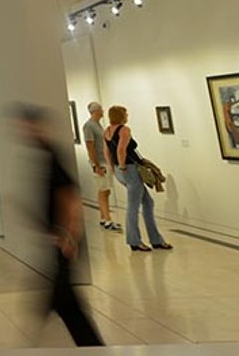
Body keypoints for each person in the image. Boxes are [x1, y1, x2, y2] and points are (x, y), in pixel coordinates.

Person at [12, 104, 104, 347]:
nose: (24, 132)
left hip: (66, 240)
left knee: (64, 299)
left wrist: (68, 234)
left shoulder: (52, 154)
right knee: (64, 299)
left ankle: (91, 346)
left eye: (27, 126)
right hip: (61, 239)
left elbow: (70, 195)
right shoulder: (44, 153)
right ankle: (87, 343)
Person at [103, 105, 171, 252]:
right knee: (133, 207)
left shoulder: (107, 131)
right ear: (121, 115)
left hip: (120, 171)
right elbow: (121, 149)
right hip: (130, 170)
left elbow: (107, 152)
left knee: (148, 202)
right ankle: (135, 241)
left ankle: (156, 240)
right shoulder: (124, 129)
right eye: (126, 113)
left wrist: (113, 169)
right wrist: (122, 166)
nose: (127, 115)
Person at [82, 102, 121, 232]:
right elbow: (90, 146)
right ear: (95, 111)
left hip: (104, 161)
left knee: (105, 190)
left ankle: (103, 218)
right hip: (100, 163)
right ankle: (108, 220)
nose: (103, 111)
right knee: (103, 191)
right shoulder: (89, 126)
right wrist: (96, 165)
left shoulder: (98, 125)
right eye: (101, 110)